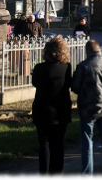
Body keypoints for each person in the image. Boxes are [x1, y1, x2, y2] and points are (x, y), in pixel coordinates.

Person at [71, 40, 102, 176]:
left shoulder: (83, 66)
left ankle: (87, 174)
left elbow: (75, 87)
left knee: (87, 142)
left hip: (87, 108)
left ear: (87, 51)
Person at [31, 36, 72, 174]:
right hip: (61, 109)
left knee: (44, 143)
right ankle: (56, 173)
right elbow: (68, 84)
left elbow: (35, 83)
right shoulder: (66, 67)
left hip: (42, 108)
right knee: (58, 143)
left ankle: (44, 173)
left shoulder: (39, 68)